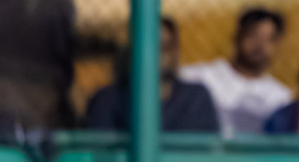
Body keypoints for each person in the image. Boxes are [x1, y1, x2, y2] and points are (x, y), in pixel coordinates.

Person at [84, 17, 220, 133]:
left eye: (165, 47)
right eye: (149, 46)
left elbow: (204, 149)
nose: (158, 54)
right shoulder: (107, 100)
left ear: (175, 52)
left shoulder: (196, 98)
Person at [180, 8, 292, 136]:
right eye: (253, 35)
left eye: (269, 39)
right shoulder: (198, 77)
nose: (260, 45)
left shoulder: (281, 98)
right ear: (237, 36)